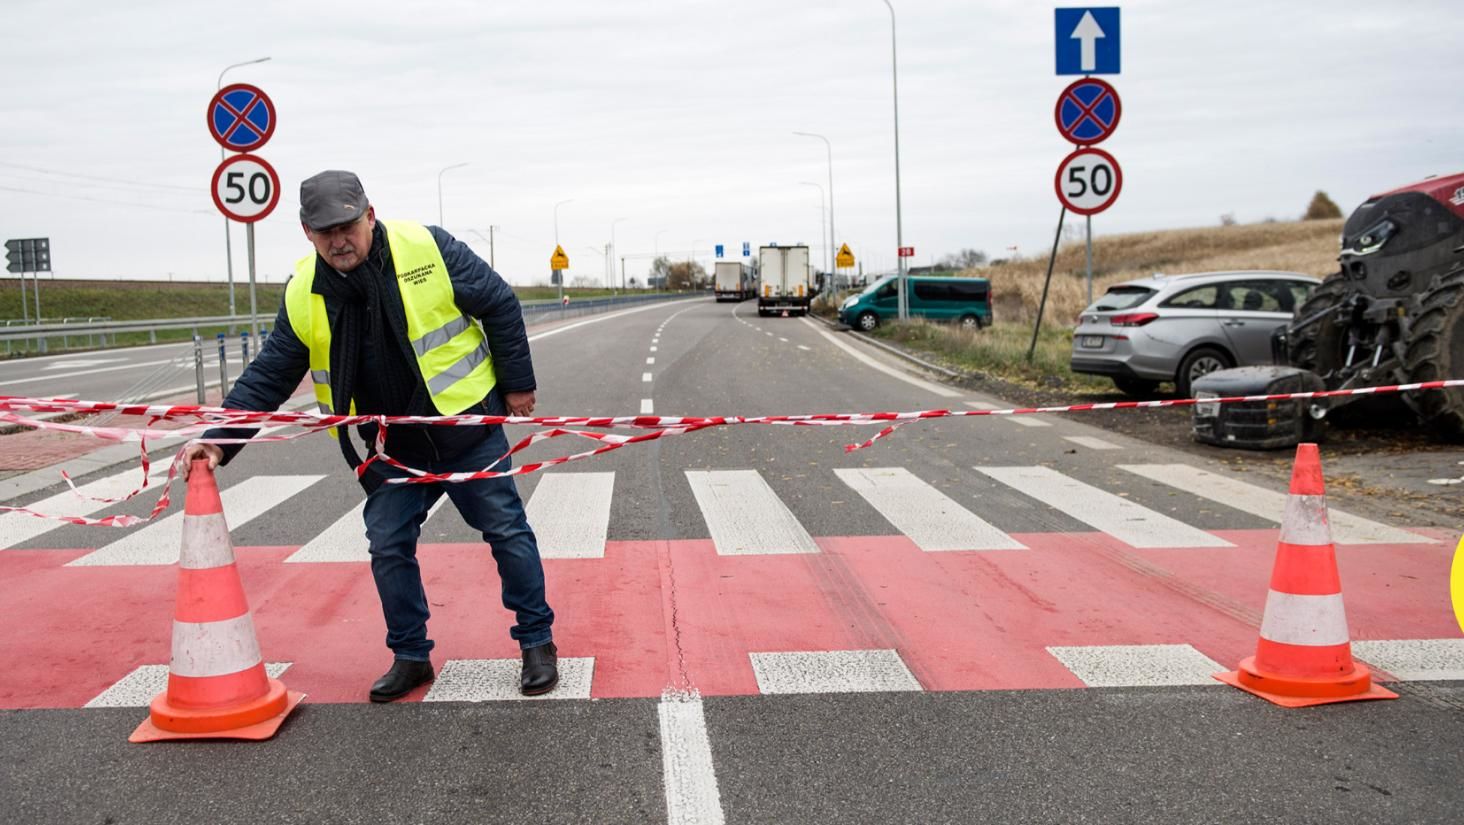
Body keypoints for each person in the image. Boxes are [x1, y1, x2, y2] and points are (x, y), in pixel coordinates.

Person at [184, 170, 557, 702]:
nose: (338, 240)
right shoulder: (304, 291)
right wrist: (220, 439)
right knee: (387, 542)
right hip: (391, 447)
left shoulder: (428, 247)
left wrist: (518, 385)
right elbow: (269, 375)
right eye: (323, 231)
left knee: (506, 529)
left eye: (346, 225)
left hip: (463, 426)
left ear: (369, 215)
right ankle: (411, 656)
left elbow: (498, 302)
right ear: (306, 233)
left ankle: (537, 643)